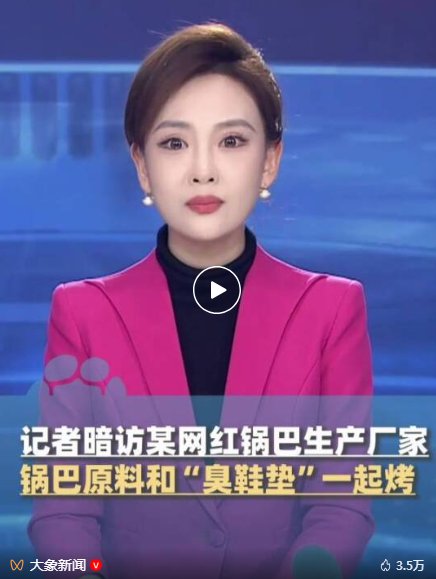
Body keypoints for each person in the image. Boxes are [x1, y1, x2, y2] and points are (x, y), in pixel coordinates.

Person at [28, 22, 374, 579]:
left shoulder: (331, 310)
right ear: (142, 166)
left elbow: (342, 507)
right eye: (174, 143)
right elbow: (63, 512)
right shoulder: (84, 313)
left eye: (232, 141)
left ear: (270, 161)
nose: (203, 171)